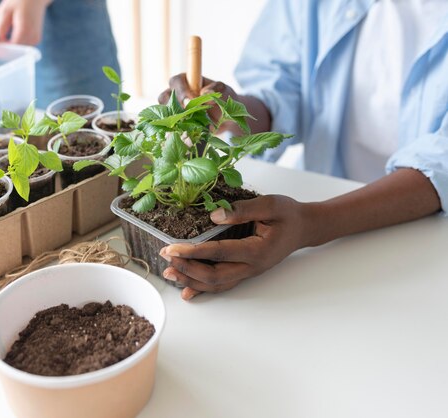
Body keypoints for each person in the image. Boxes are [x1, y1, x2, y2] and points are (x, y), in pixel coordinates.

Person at [158, 0, 447, 300]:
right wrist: (232, 110)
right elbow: (282, 88)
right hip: (322, 202)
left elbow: (442, 164)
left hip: (427, 244)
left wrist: (312, 224)